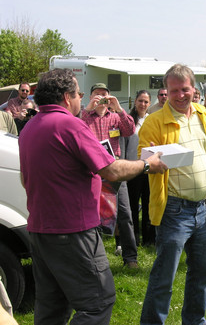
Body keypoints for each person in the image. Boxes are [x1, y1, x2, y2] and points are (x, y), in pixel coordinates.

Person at [18, 68, 167, 325]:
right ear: (67, 97)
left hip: (40, 231)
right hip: (73, 232)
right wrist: (147, 165)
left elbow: (24, 179)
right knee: (99, 302)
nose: (80, 99)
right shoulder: (70, 125)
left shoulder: (30, 127)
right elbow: (111, 169)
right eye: (78, 94)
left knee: (52, 307)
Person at [138, 64, 206, 325]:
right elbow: (144, 160)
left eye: (185, 89)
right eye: (174, 91)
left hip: (204, 210)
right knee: (163, 278)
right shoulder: (154, 121)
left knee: (202, 274)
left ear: (194, 89)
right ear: (166, 92)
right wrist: (151, 157)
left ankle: (195, 321)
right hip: (173, 211)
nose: (180, 95)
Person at [81, 83, 139, 268]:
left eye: (104, 95)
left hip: (114, 170)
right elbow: (74, 131)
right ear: (90, 97)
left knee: (125, 214)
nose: (101, 99)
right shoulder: (84, 117)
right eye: (97, 95)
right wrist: (88, 109)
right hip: (92, 173)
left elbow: (130, 130)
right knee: (92, 217)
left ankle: (131, 258)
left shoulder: (114, 117)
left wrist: (119, 108)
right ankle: (94, 259)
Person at [124, 90, 155, 246]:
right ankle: (134, 238)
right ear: (135, 101)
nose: (143, 104)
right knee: (133, 205)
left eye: (146, 102)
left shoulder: (152, 120)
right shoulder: (129, 120)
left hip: (149, 168)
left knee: (149, 203)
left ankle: (149, 239)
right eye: (140, 101)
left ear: (149, 104)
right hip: (133, 167)